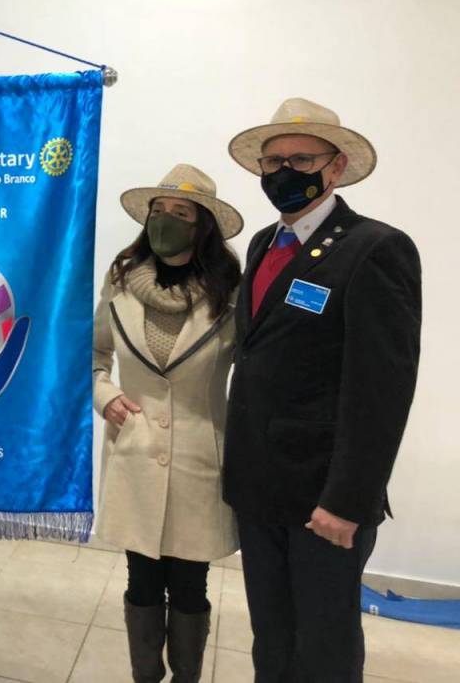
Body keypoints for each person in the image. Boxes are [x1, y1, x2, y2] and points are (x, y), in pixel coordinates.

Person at [223, 98, 422, 682]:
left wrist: (347, 501)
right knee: (272, 637)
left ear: (335, 168)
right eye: (272, 161)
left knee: (324, 648)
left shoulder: (375, 248)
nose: (284, 171)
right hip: (260, 487)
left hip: (323, 500)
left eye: (301, 159)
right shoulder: (263, 243)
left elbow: (381, 390)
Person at [93, 164, 243, 683]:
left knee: (189, 585)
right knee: (140, 579)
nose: (165, 220)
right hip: (134, 452)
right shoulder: (120, 284)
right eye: (158, 210)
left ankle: (185, 678)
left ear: (203, 226)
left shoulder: (232, 293)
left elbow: (256, 371)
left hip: (200, 458)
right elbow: (92, 354)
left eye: (181, 212)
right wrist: (105, 396)